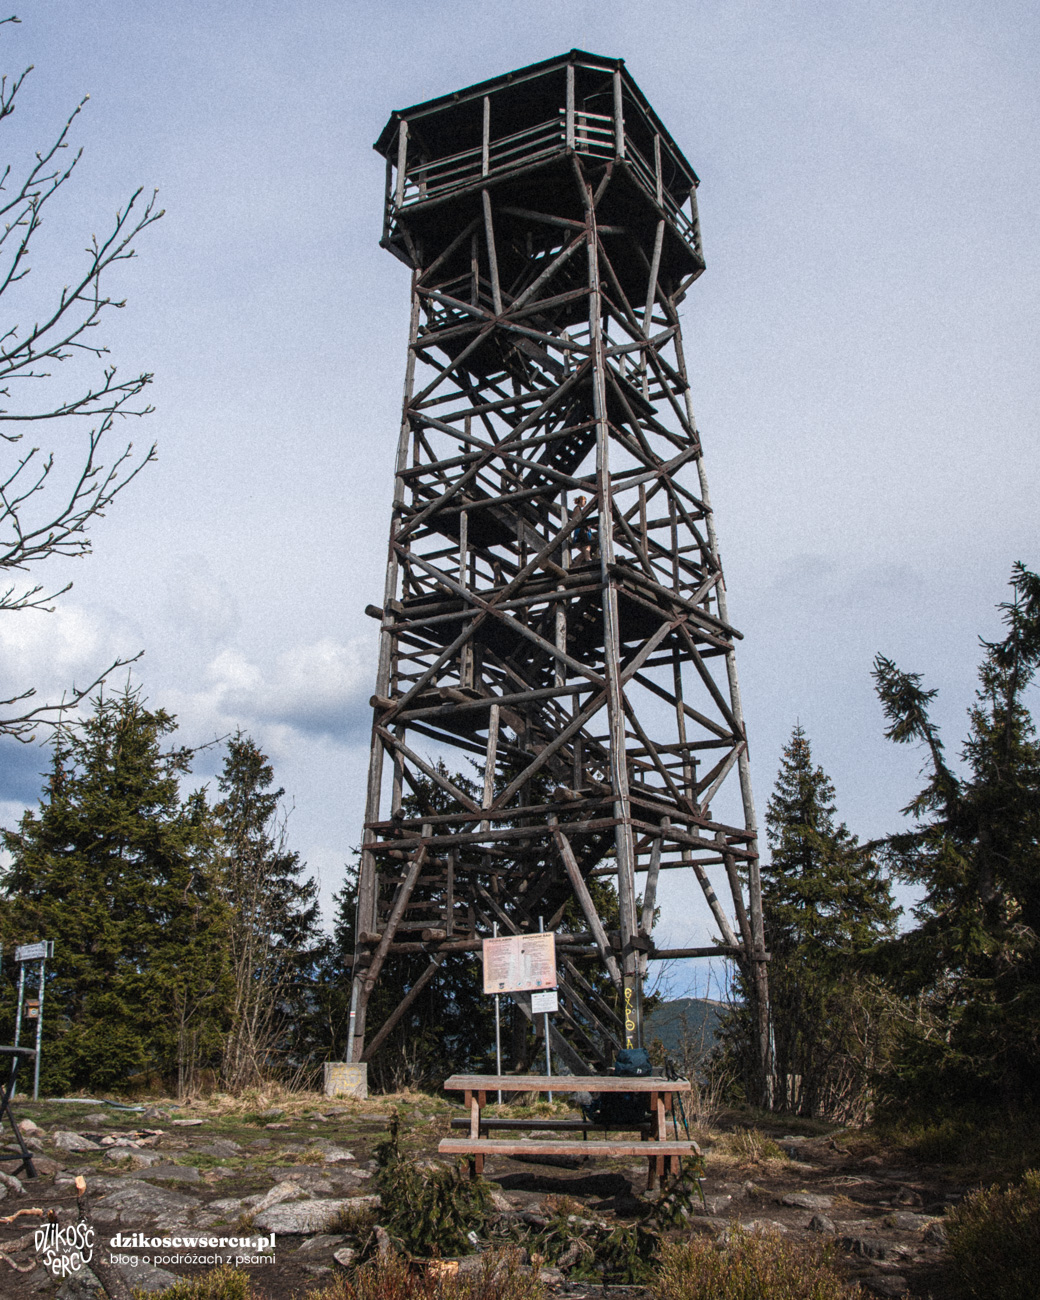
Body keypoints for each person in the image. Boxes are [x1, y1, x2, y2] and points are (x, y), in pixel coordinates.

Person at [573, 495, 596, 565]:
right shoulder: (577, 508)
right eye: (584, 501)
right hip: (580, 530)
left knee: (585, 548)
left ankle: (576, 563)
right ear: (581, 501)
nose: (585, 503)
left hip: (581, 529)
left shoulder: (578, 509)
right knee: (586, 545)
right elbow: (578, 519)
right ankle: (588, 559)